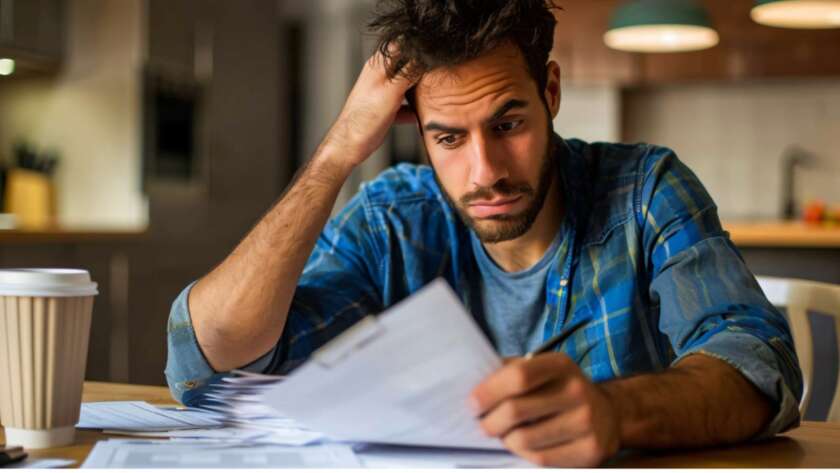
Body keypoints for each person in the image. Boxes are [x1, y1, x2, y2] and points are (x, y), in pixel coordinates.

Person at [165, 0, 802, 466]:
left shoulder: (644, 191)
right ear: (416, 129)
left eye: (507, 125)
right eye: (448, 137)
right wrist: (336, 153)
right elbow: (212, 360)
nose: (486, 172)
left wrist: (616, 412)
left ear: (549, 92)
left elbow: (756, 365)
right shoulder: (393, 220)